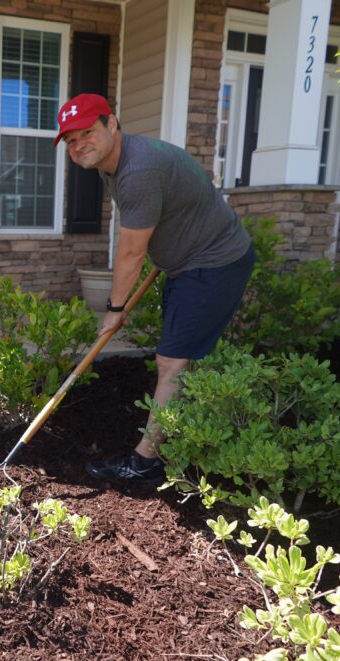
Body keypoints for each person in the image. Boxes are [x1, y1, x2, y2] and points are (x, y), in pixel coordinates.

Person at [54, 93, 255, 485]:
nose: (80, 146)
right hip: (186, 262)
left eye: (87, 133)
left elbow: (131, 251)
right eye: (71, 140)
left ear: (112, 124)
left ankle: (145, 463)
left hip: (214, 264)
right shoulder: (113, 164)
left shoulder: (138, 171)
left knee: (171, 362)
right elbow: (147, 222)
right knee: (179, 358)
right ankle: (183, 425)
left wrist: (114, 309)